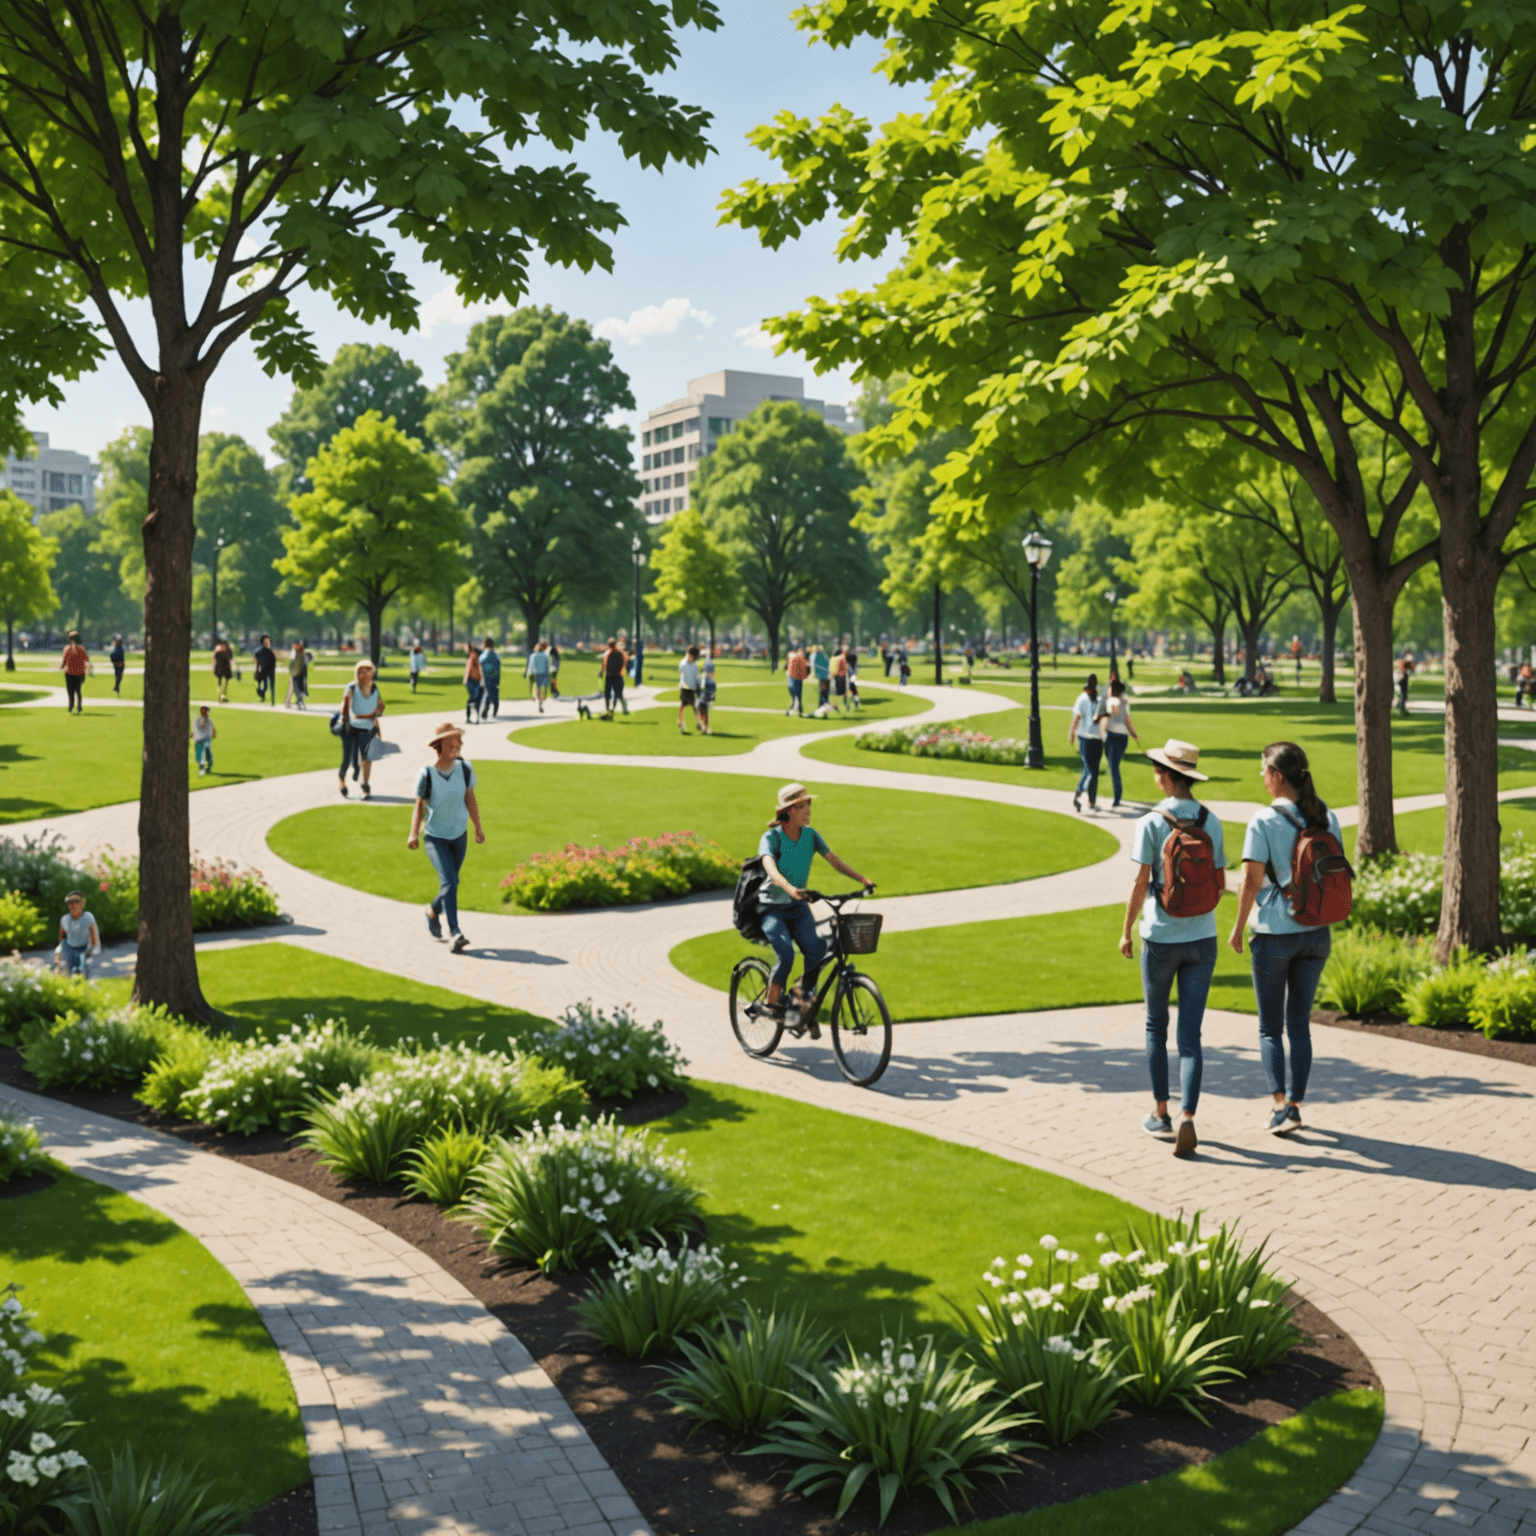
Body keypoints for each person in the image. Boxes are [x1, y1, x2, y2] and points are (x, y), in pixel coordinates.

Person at [1229, 743, 1343, 1135]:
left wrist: (1237, 925)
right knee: (1300, 1026)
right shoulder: (1327, 816)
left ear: (1278, 776)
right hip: (1317, 934)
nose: (1261, 777)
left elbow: (1249, 881)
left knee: (1269, 1028)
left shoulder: (1262, 821)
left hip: (1275, 933)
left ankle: (1279, 1105)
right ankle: (1295, 1105)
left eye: (1264, 770)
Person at [1119, 739, 1226, 1159]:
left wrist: (1126, 930)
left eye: (1158, 770)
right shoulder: (1211, 821)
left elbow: (1140, 883)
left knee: (1155, 1027)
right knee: (1191, 1036)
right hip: (1203, 937)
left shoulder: (1150, 823)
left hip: (1161, 936)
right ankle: (1188, 1115)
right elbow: (1219, 882)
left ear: (1166, 776)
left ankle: (1160, 1114)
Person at [757, 783, 873, 1030]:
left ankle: (802, 998)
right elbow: (771, 869)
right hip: (772, 908)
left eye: (809, 804)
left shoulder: (811, 836)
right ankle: (771, 1002)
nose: (808, 809)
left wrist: (862, 879)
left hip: (798, 907)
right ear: (788, 811)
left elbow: (835, 861)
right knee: (786, 955)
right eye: (802, 805)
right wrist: (789, 888)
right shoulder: (771, 838)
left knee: (817, 950)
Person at [406, 721, 485, 955]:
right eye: (453, 740)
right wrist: (413, 833)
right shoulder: (427, 774)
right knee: (450, 881)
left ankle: (432, 911)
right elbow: (419, 807)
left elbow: (470, 799)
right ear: (440, 745)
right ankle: (455, 932)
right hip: (435, 837)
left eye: (459, 740)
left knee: (451, 883)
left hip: (459, 836)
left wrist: (478, 827)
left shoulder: (465, 769)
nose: (458, 744)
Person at [338, 659, 385, 799]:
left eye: (367, 671)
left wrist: (379, 710)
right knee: (347, 758)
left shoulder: (374, 688)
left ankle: (365, 784)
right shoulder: (351, 687)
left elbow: (380, 705)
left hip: (368, 728)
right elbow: (344, 705)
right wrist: (344, 718)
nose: (363, 674)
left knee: (366, 758)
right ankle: (342, 781)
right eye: (360, 671)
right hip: (351, 727)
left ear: (372, 673)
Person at [1067, 672, 1105, 813]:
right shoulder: (1100, 700)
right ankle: (1091, 801)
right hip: (1097, 740)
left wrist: (1071, 733)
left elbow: (1076, 718)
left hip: (1084, 739)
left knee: (1089, 770)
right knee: (1092, 771)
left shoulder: (1082, 699)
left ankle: (1079, 794)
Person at [1102, 676, 1140, 808]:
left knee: (1113, 766)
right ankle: (1118, 794)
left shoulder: (1111, 701)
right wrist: (1134, 734)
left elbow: (1108, 715)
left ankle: (1117, 797)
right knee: (1114, 765)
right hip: (1123, 737)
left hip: (1112, 736)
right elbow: (1128, 720)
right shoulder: (1124, 703)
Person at [55, 890, 100, 977]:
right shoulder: (65, 919)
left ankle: (82, 983)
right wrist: (60, 948)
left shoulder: (88, 917)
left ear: (82, 903)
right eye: (70, 902)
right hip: (70, 946)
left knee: (82, 967)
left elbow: (93, 933)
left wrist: (92, 947)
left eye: (77, 902)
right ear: (68, 905)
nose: (74, 905)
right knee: (68, 967)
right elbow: (61, 936)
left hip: (83, 947)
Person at [59, 630, 90, 713]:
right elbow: (87, 659)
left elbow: (64, 661)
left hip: (69, 673)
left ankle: (71, 705)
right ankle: (79, 705)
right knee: (78, 690)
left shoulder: (67, 649)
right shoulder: (81, 649)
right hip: (80, 673)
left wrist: (61, 666)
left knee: (70, 690)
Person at [677, 644, 703, 734]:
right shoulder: (683, 664)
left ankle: (699, 722)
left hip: (692, 688)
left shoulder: (694, 666)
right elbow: (683, 673)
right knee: (683, 706)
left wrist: (697, 686)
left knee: (694, 706)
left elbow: (696, 677)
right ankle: (680, 723)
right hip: (685, 688)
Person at [602, 638, 628, 716]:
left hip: (617, 676)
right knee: (607, 693)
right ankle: (608, 709)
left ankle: (624, 708)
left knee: (618, 693)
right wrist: (602, 671)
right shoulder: (608, 653)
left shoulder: (619, 652)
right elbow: (604, 663)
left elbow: (624, 661)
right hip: (609, 676)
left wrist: (622, 670)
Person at [525, 641, 551, 713]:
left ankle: (537, 699)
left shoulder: (533, 656)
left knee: (537, 688)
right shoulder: (545, 656)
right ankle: (541, 701)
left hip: (536, 674)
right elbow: (547, 666)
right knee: (543, 689)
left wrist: (528, 673)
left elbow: (531, 666)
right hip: (544, 674)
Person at [190, 705, 216, 776]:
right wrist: (191, 735)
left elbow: (203, 726)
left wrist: (213, 733)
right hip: (199, 740)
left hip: (205, 740)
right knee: (200, 756)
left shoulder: (207, 720)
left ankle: (204, 768)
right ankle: (206, 767)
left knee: (205, 753)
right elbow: (197, 729)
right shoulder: (199, 720)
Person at [479, 637, 502, 718]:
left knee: (487, 693)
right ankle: (495, 709)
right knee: (494, 692)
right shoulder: (495, 655)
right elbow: (498, 667)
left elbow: (480, 665)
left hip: (485, 677)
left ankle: (486, 707)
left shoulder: (483, 655)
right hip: (494, 676)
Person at [785, 644, 809, 716]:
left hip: (797, 678)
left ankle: (795, 709)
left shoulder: (800, 657)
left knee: (796, 696)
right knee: (796, 696)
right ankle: (797, 709)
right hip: (793, 677)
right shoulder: (795, 656)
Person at [253, 633, 277, 704]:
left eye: (268, 640)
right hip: (262, 670)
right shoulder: (259, 651)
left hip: (270, 670)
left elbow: (274, 660)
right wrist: (256, 669)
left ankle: (272, 700)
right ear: (262, 642)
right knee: (258, 684)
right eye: (265, 641)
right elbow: (256, 660)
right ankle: (261, 694)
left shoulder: (271, 651)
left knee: (268, 685)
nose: (267, 642)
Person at [463, 642, 483, 723]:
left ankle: (471, 717)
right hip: (474, 679)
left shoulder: (473, 656)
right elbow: (469, 667)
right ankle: (475, 717)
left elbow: (469, 667)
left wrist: (466, 679)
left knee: (474, 699)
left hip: (473, 679)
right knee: (475, 699)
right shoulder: (474, 655)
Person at [286, 642, 308, 709]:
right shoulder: (297, 655)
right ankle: (298, 703)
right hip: (296, 675)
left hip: (296, 675)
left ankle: (289, 702)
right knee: (297, 689)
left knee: (293, 689)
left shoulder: (300, 656)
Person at [212, 638, 234, 703]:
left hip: (225, 667)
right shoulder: (218, 651)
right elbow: (214, 659)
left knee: (225, 683)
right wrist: (214, 667)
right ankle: (221, 696)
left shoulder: (228, 650)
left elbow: (231, 659)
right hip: (220, 667)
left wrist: (231, 667)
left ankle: (223, 695)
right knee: (220, 682)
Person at [699, 651, 716, 735]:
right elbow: (712, 691)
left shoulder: (704, 678)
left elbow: (700, 687)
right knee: (704, 713)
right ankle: (704, 726)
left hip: (703, 699)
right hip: (704, 699)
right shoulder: (709, 680)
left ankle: (704, 726)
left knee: (703, 713)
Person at [812, 643, 831, 711]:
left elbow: (815, 667)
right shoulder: (823, 655)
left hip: (823, 677)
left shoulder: (817, 656)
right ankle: (822, 706)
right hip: (825, 677)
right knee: (824, 693)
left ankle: (823, 707)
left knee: (823, 693)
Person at [831, 645, 849, 713]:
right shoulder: (841, 658)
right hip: (841, 676)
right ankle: (846, 705)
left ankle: (836, 706)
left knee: (836, 693)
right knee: (843, 692)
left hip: (835, 676)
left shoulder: (832, 658)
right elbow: (843, 667)